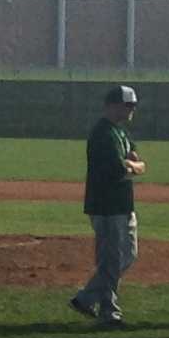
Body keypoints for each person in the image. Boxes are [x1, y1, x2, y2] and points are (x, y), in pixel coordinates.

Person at [70, 84, 144, 325]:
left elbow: (135, 160)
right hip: (106, 206)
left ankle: (85, 298)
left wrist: (133, 165)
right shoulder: (102, 133)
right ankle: (109, 311)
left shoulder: (120, 132)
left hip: (123, 205)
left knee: (128, 256)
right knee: (111, 260)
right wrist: (133, 166)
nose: (132, 109)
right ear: (113, 105)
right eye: (128, 105)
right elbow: (119, 170)